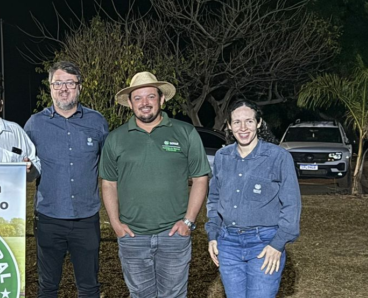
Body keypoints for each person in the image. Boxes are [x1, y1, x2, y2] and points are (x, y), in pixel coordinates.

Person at [100, 71, 211, 298]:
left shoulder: (185, 132)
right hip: (132, 236)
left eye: (151, 97)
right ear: (130, 103)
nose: (145, 103)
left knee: (174, 294)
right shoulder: (116, 138)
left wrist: (188, 222)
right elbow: (109, 183)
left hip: (173, 235)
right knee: (140, 294)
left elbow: (200, 178)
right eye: (138, 98)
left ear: (161, 99)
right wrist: (115, 224)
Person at [24, 61, 108, 298]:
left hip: (86, 218)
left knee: (89, 287)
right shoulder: (34, 125)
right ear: (50, 87)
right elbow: (28, 172)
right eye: (58, 83)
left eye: (69, 83)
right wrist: (26, 170)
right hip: (49, 218)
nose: (63, 88)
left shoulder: (97, 122)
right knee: (48, 287)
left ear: (79, 87)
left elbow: (108, 168)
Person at [205, 99, 301, 298]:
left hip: (264, 243)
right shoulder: (222, 157)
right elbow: (214, 198)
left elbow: (292, 204)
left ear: (258, 123)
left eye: (249, 121)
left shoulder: (278, 157)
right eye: (237, 122)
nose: (243, 128)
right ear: (229, 126)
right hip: (228, 244)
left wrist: (277, 244)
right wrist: (213, 234)